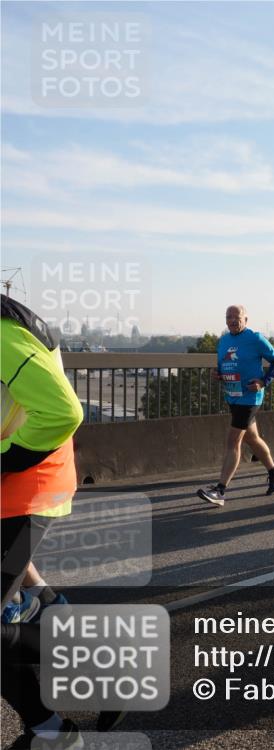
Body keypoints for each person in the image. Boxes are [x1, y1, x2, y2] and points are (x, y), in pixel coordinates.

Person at [1, 294, 85, 747]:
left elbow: (63, 412)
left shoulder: (1, 333)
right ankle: (49, 732)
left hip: (29, 486)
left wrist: (2, 461)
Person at [197, 305, 274, 506]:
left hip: (250, 397)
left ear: (246, 319)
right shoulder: (224, 340)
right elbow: (224, 366)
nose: (232, 320)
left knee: (233, 442)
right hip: (233, 396)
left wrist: (263, 381)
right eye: (228, 317)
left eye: (236, 317)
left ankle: (220, 490)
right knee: (252, 438)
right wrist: (217, 374)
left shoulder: (255, 338)